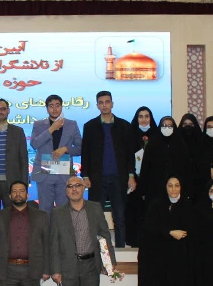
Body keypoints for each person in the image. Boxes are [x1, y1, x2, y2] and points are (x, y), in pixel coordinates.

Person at [49, 176, 116, 286]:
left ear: (83, 188)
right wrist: (55, 270)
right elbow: (53, 242)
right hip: (67, 268)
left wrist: (109, 263)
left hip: (90, 266)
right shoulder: (57, 212)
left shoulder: (95, 208)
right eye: (70, 186)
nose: (74, 189)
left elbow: (104, 235)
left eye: (77, 185)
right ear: (66, 191)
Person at [81, 91, 135, 247]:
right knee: (95, 216)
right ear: (97, 105)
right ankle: (97, 250)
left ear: (112, 104)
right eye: (101, 102)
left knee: (120, 216)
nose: (104, 105)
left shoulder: (124, 126)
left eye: (107, 102)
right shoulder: (90, 126)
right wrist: (85, 176)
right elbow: (85, 153)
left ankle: (120, 249)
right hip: (97, 179)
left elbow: (130, 154)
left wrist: (131, 175)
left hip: (119, 178)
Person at [138, 175, 195, 286]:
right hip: (160, 259)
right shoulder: (156, 205)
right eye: (170, 186)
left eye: (176, 186)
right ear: (165, 187)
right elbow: (149, 229)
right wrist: (169, 232)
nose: (173, 189)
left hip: (181, 260)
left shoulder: (188, 205)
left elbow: (192, 229)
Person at [0, 181, 49, 286]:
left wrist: (46, 270)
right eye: (14, 191)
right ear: (10, 196)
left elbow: (46, 243)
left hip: (32, 270)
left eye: (21, 191)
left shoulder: (40, 216)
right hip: (7, 271)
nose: (18, 194)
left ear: (27, 195)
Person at [30, 94, 82, 210]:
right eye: (51, 106)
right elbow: (34, 144)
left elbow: (80, 148)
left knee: (63, 211)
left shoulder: (72, 124)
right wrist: (51, 129)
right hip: (44, 174)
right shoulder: (39, 125)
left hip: (63, 175)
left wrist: (66, 149)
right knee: (45, 210)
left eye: (57, 105)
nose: (54, 109)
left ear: (62, 107)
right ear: (47, 108)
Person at [139, 116, 192, 206]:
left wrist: (187, 189)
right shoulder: (152, 144)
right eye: (164, 126)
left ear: (174, 128)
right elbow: (145, 168)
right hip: (155, 187)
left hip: (176, 188)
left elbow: (187, 169)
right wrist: (143, 190)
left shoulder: (181, 144)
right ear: (160, 127)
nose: (167, 128)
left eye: (169, 126)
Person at [125, 106, 157, 247]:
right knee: (134, 210)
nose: (144, 119)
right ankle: (134, 240)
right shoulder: (130, 134)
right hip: (133, 179)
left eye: (146, 116)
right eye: (140, 116)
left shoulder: (157, 134)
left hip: (152, 180)